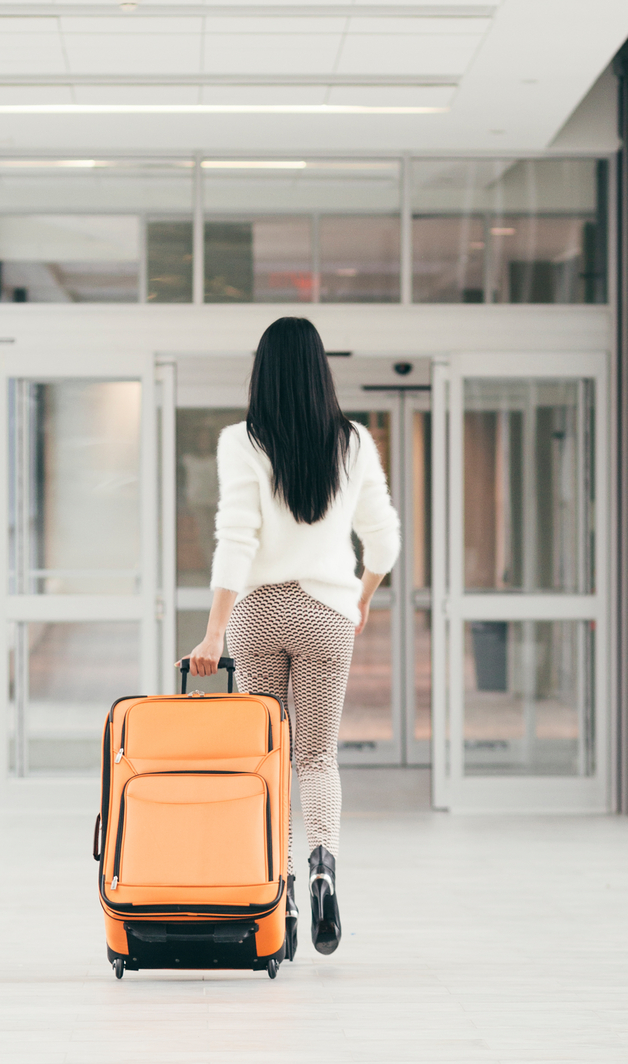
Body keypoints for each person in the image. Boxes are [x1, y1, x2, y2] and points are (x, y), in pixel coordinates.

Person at [187, 317, 400, 958]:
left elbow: (236, 538)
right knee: (317, 755)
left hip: (257, 614)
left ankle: (276, 892)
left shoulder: (241, 441)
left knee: (270, 755)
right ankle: (323, 865)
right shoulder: (355, 442)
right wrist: (359, 601)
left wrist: (212, 632)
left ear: (262, 371)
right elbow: (385, 540)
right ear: (321, 370)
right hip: (328, 614)